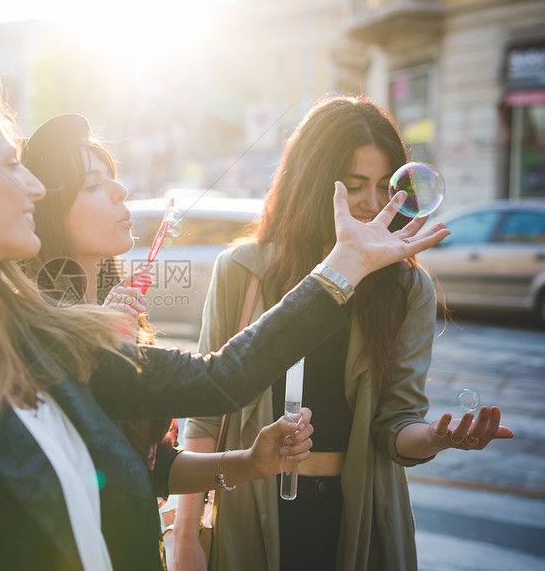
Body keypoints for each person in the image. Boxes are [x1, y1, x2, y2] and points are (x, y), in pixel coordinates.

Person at [0, 74, 449, 571]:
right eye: (10, 165)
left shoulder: (43, 330)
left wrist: (342, 268)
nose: (36, 185)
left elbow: (222, 380)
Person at [169, 96, 513, 571]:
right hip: (249, 511)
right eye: (355, 186)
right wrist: (186, 537)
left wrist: (435, 437)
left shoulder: (406, 287)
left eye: (387, 187)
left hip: (359, 515)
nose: (374, 204)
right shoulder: (243, 270)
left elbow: (397, 424)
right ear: (313, 184)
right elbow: (205, 417)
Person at [20, 113, 316, 559]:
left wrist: (249, 462)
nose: (120, 191)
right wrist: (341, 272)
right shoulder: (49, 332)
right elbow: (221, 379)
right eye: (93, 186)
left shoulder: (109, 316)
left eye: (113, 178)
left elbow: (151, 468)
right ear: (49, 215)